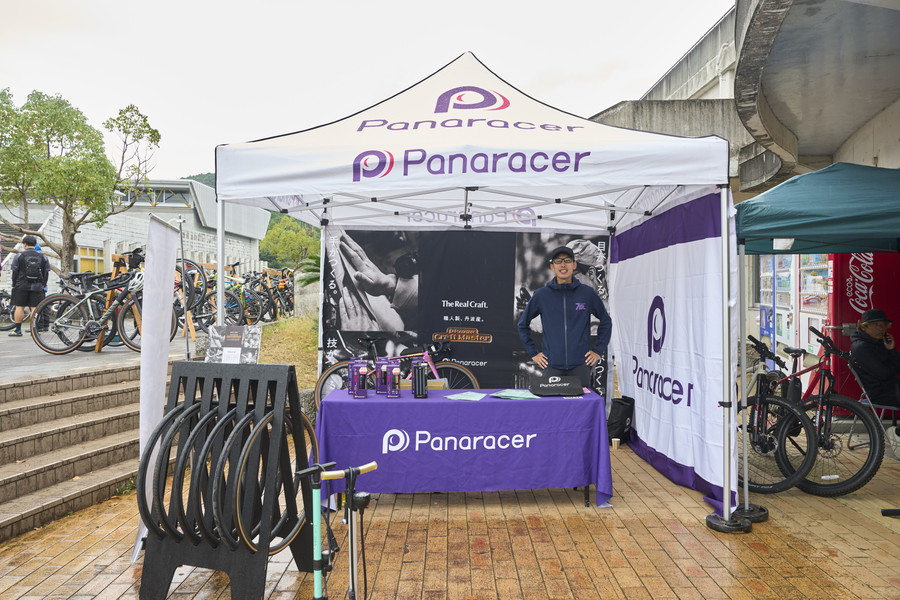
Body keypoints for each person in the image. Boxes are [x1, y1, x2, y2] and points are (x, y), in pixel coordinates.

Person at [517, 245, 612, 388]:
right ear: (552, 267)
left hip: (580, 366)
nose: (563, 264)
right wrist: (534, 353)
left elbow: (606, 321)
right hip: (552, 366)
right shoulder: (541, 295)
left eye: (567, 260)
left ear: (574, 265)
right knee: (552, 402)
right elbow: (522, 325)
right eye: (558, 261)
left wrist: (598, 351)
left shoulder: (587, 293)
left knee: (582, 402)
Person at [849, 308, 900, 458]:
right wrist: (891, 366)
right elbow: (884, 374)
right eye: (876, 324)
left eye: (883, 325)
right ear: (864, 327)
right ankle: (897, 433)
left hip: (892, 386)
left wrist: (891, 349)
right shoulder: (861, 347)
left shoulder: (879, 343)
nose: (881, 328)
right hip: (879, 392)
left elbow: (896, 368)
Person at [9, 235, 50, 337]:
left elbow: (15, 272)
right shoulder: (43, 257)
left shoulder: (19, 256)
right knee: (35, 308)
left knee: (19, 307)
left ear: (25, 244)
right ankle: (34, 331)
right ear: (35, 244)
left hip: (21, 285)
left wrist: (14, 284)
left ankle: (18, 330)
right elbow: (46, 273)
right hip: (37, 286)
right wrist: (43, 284)